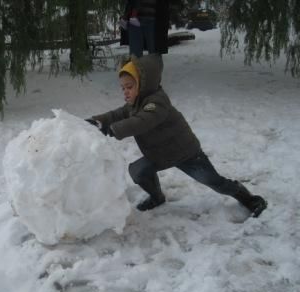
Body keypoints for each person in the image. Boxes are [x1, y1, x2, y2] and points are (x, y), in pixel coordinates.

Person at [86, 55, 267, 217]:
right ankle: (157, 197)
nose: (125, 92)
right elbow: (116, 114)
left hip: (186, 154)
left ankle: (248, 199)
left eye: (129, 87)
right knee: (137, 171)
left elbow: (142, 121)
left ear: (143, 84)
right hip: (159, 154)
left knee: (212, 181)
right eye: (123, 88)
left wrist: (112, 130)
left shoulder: (157, 102)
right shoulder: (136, 103)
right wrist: (97, 121)